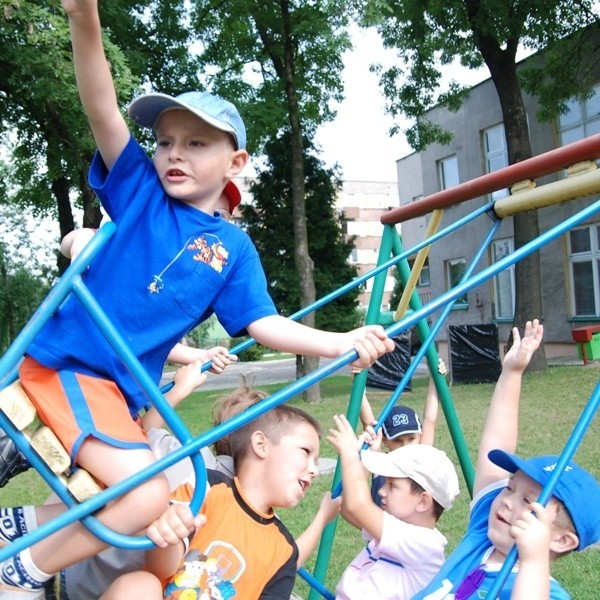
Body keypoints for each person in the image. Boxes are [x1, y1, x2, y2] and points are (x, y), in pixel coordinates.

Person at [0, 0, 394, 596]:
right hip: (71, 368)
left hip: (120, 394)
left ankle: (19, 535)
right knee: (146, 492)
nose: (173, 154)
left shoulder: (233, 250)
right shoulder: (140, 194)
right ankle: (22, 570)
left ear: (235, 162)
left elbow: (262, 321)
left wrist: (340, 340)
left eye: (196, 144)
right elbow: (103, 109)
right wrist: (85, 20)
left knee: (156, 505)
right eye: (165, 142)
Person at [413, 319, 600, 600]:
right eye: (510, 488)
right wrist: (512, 373)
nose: (507, 500)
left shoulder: (548, 594)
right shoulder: (484, 533)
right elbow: (497, 441)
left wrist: (534, 562)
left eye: (528, 502)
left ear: (561, 540)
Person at [97, 403, 336, 600]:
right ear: (261, 445)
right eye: (306, 452)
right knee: (139, 585)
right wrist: (168, 533)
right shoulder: (207, 489)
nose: (314, 469)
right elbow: (161, 569)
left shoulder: (284, 549)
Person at [327, 413, 460, 599]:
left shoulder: (424, 544)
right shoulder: (397, 528)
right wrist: (368, 456)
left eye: (392, 486)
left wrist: (350, 455)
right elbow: (349, 509)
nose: (381, 491)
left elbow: (358, 505)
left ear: (422, 501)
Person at [359, 357, 447, 504]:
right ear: (386, 441)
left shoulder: (421, 458)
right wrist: (358, 384)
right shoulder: (382, 464)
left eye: (411, 439)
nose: (406, 446)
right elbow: (368, 422)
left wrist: (434, 377)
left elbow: (430, 419)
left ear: (419, 436)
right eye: (398, 441)